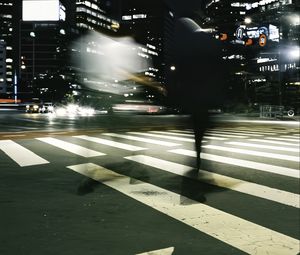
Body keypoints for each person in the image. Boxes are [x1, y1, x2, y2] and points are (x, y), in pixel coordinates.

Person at [173, 17, 228, 170]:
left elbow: (181, 71)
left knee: (197, 125)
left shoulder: (187, 47)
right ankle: (199, 149)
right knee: (202, 126)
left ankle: (197, 150)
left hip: (194, 93)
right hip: (206, 92)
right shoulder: (210, 45)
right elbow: (219, 69)